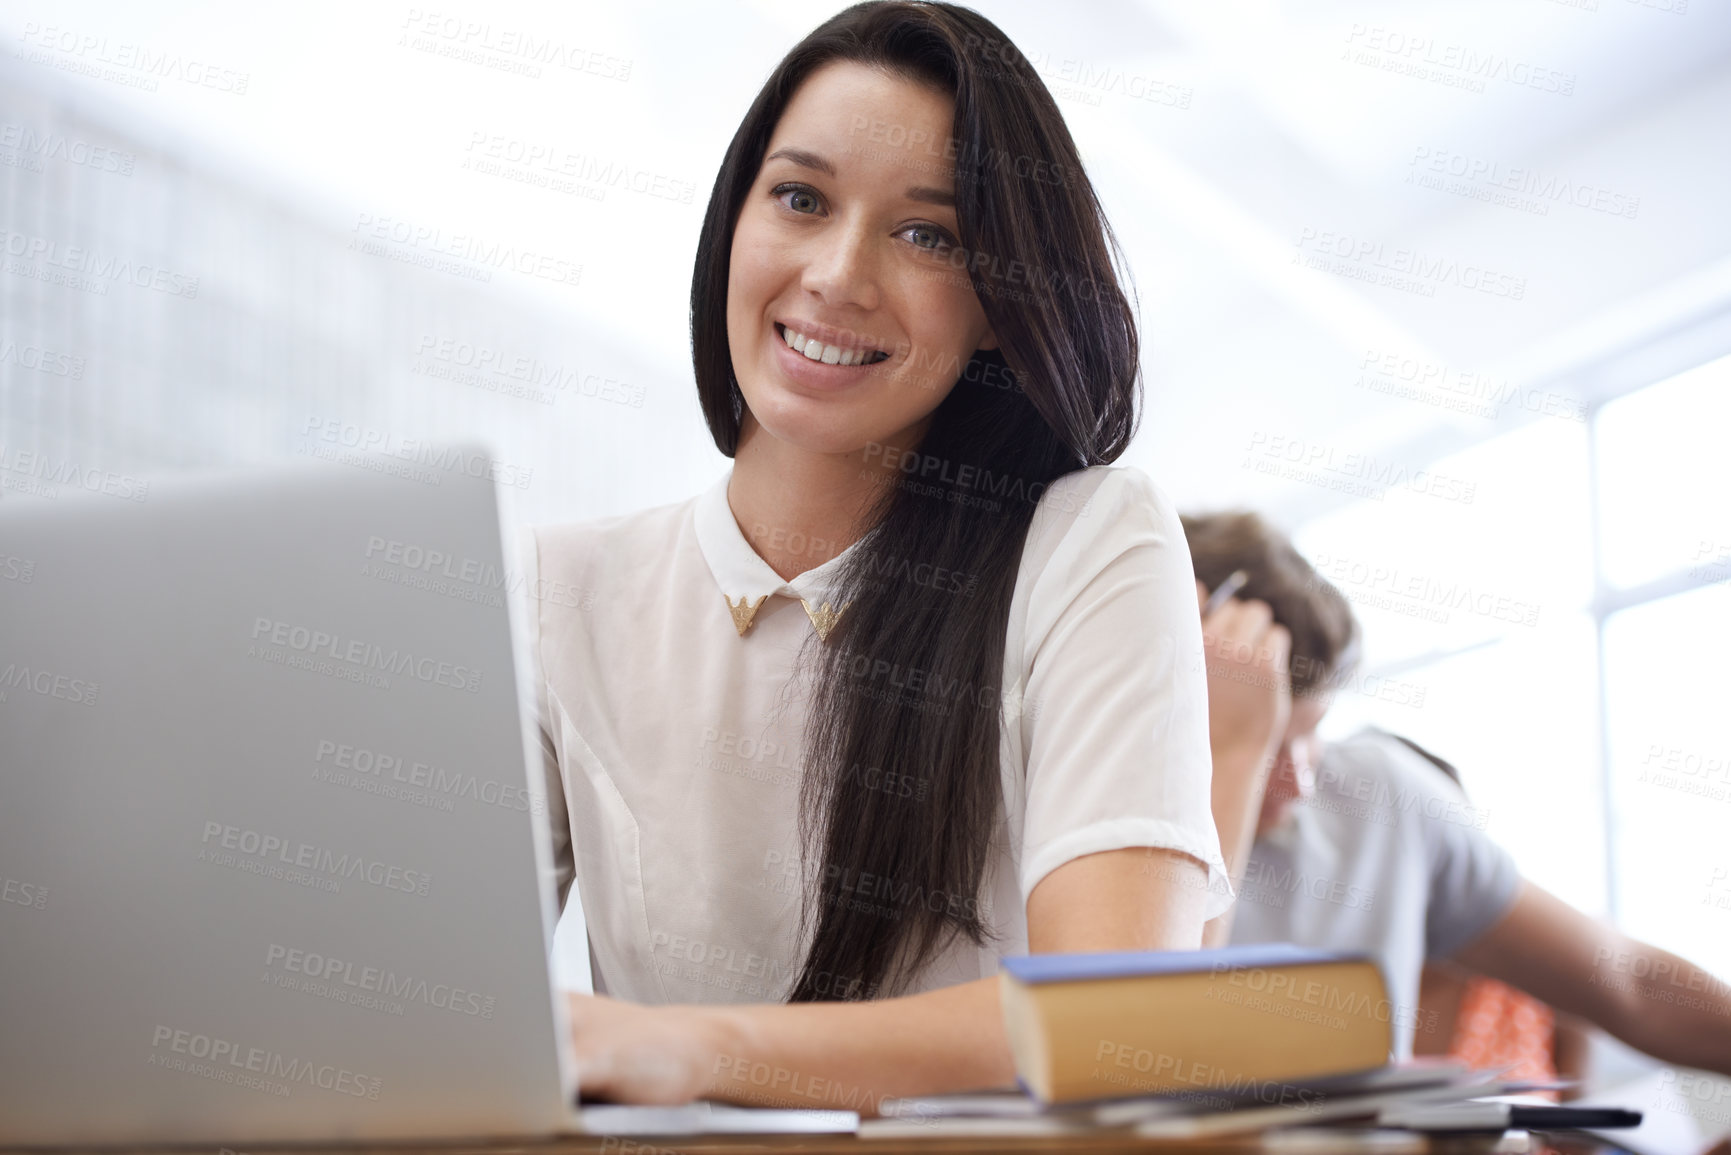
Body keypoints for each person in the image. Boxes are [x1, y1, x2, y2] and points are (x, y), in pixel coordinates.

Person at [519, 2, 1238, 1112]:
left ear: (1000, 303)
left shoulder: (1087, 544)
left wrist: (683, 1051)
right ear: (734, 223)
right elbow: (434, 1002)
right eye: (799, 198)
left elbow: (1122, 1014)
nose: (838, 274)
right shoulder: (558, 589)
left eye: (928, 234)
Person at [1186, 509, 1731, 1084]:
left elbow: (1630, 985)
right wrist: (1231, 760)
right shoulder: (1103, 819)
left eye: (1311, 734)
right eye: (1266, 742)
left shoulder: (1379, 797)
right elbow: (1151, 1035)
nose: (1300, 781)